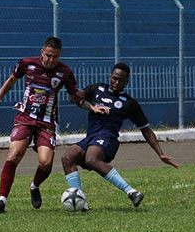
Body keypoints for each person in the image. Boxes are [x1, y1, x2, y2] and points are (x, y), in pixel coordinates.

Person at [0, 37, 83, 213]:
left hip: (46, 122)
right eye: (49, 55)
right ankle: (2, 201)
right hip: (25, 118)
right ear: (42, 52)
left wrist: (93, 107)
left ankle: (34, 186)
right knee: (14, 154)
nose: (52, 60)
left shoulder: (65, 72)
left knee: (46, 163)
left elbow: (75, 96)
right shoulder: (27, 64)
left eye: (56, 57)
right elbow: (11, 81)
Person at [61, 62, 179, 210]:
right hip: (90, 137)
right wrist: (77, 95)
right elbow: (76, 99)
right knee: (67, 157)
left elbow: (146, 130)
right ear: (110, 77)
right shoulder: (97, 89)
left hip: (108, 138)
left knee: (91, 159)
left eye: (121, 80)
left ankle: (132, 192)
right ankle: (81, 204)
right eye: (114, 78)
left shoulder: (129, 104)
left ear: (127, 82)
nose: (116, 82)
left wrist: (160, 154)